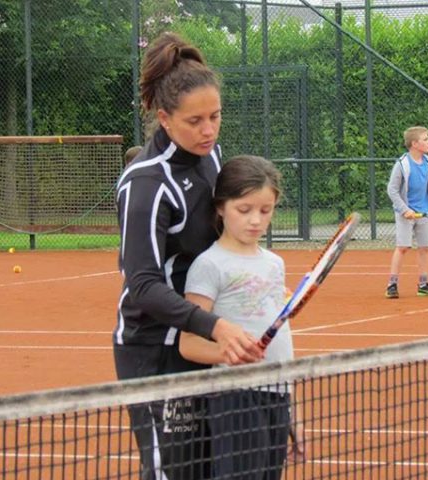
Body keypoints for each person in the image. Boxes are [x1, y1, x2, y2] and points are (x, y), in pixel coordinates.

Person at [113, 32, 263, 480]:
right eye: (195, 120)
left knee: (211, 466)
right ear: (164, 118)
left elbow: (220, 236)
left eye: (215, 116)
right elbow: (142, 286)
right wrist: (215, 325)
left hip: (201, 339)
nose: (208, 130)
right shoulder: (145, 186)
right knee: (169, 471)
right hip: (155, 349)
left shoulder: (211, 156)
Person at [179, 155, 305, 480]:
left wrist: (293, 412)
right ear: (221, 207)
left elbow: (282, 340)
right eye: (244, 209)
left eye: (266, 211)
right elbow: (189, 344)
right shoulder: (209, 266)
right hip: (233, 394)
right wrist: (229, 353)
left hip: (276, 393)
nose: (256, 221)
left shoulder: (275, 264)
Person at [385, 126, 428, 299]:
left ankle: (423, 285)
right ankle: (392, 284)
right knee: (402, 247)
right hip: (405, 213)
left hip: (424, 212)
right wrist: (405, 210)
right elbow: (392, 190)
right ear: (414, 143)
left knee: (424, 248)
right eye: (425, 139)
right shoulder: (402, 164)